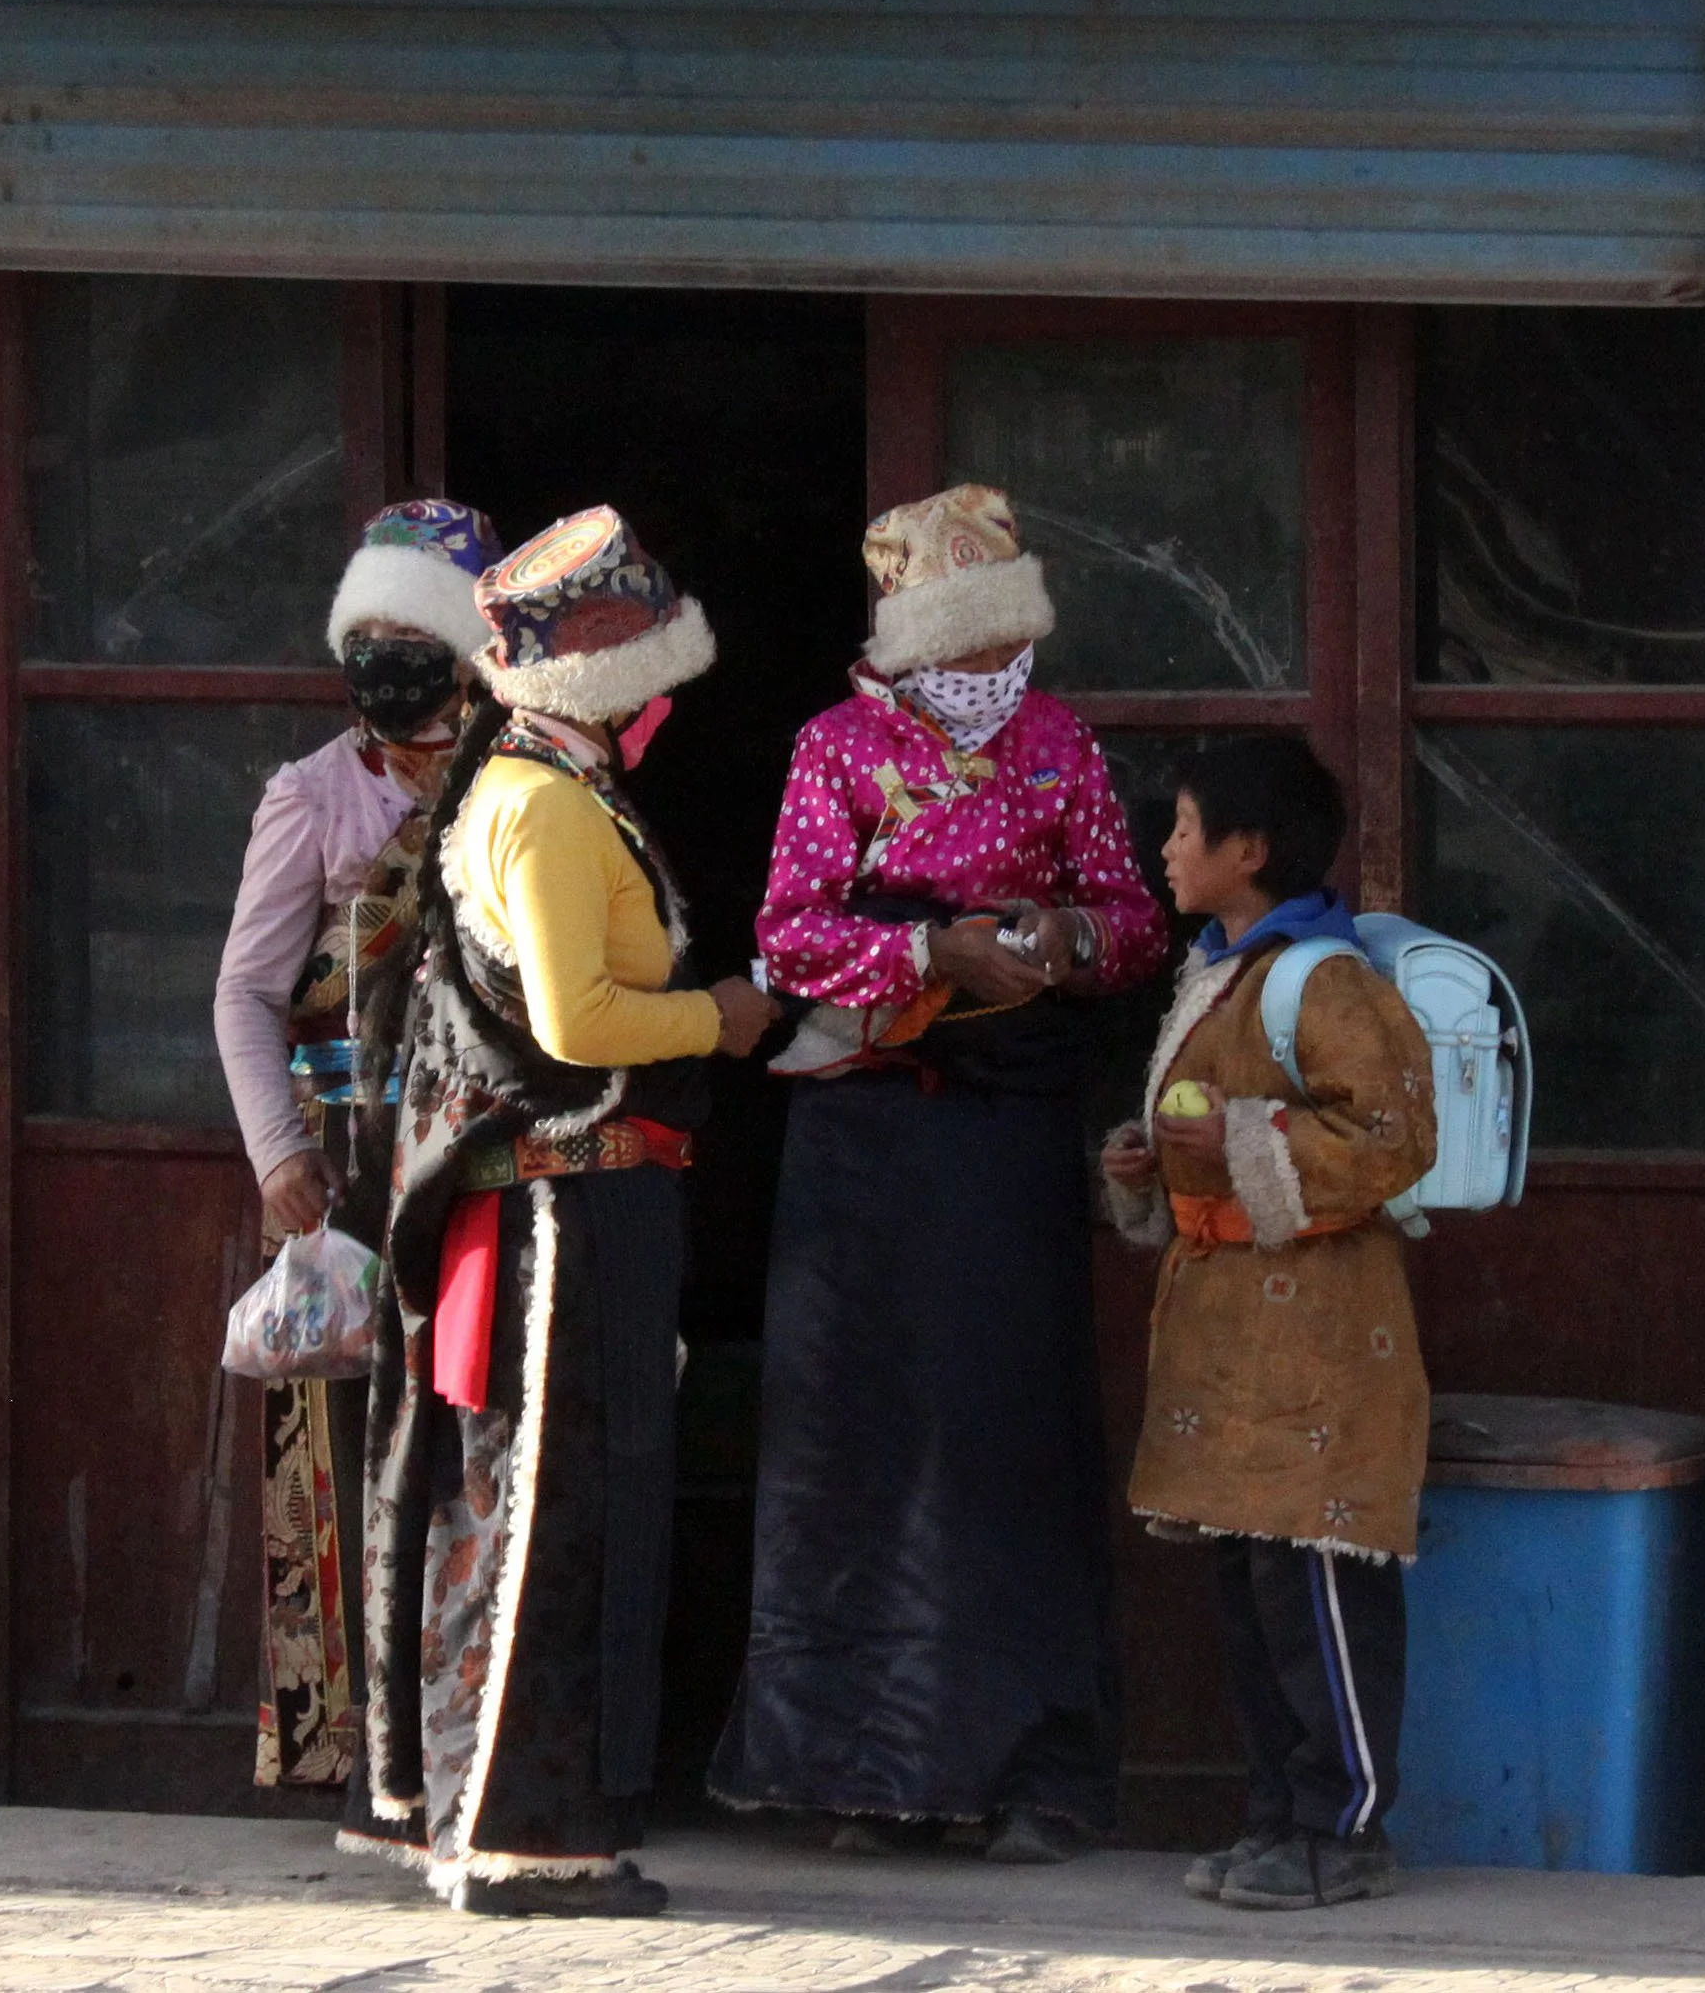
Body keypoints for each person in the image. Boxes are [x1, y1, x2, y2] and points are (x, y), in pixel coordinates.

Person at [709, 483, 1168, 1861]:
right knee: (860, 1444)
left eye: (1000, 647)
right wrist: (926, 953)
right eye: (959, 650)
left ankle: (1033, 1768)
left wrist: (1061, 935)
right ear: (911, 643)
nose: (985, 675)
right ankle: (861, 1773)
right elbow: (787, 940)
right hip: (865, 1142)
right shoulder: (836, 748)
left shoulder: (1059, 744)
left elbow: (1137, 920)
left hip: (1005, 1136)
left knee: (1003, 1433)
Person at [363, 504, 778, 1917]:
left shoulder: (550, 789)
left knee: (567, 1515)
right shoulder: (537, 806)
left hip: (594, 1212)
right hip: (562, 1220)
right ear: (612, 684)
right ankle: (518, 1837)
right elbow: (576, 1014)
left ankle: (544, 1828)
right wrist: (719, 1017)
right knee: (543, 1522)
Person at [1098, 736, 1437, 1912]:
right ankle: (1274, 1815)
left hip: (1323, 1343)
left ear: (1250, 850)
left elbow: (1395, 1140)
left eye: (1187, 829)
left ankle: (1344, 1828)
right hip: (1232, 1334)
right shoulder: (1217, 972)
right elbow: (1210, 1151)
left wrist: (1240, 1136)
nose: (1168, 849)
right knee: (1253, 1595)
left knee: (1321, 1592)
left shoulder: (1325, 983)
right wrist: (1149, 1166)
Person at [213, 497, 504, 1842]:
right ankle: (364, 1761)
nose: (390, 656)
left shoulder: (518, 783)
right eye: (369, 632)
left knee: (477, 1445)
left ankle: (483, 1746)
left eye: (416, 632)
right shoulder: (311, 796)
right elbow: (245, 993)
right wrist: (276, 1148)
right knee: (350, 1459)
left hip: (485, 1157)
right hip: (348, 1167)